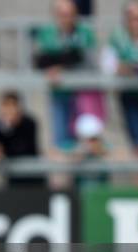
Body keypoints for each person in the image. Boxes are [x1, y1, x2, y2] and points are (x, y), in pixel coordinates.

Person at [33, 0, 98, 151]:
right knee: (62, 144)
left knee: (87, 143)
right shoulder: (47, 32)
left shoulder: (85, 31)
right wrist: (69, 58)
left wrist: (59, 62)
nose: (66, 18)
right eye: (62, 14)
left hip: (83, 96)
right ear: (56, 15)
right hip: (59, 94)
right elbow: (41, 60)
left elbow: (87, 60)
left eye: (70, 14)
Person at [102, 0, 138, 156]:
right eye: (132, 18)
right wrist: (122, 68)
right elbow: (108, 64)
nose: (136, 23)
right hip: (130, 95)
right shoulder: (118, 37)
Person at [0, 91, 43, 186]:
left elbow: (25, 149)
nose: (9, 110)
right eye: (5, 106)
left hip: (33, 177)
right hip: (12, 178)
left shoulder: (29, 123)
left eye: (12, 105)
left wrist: (3, 150)